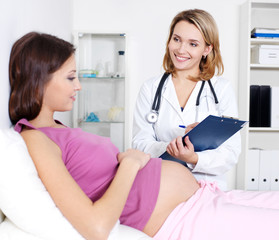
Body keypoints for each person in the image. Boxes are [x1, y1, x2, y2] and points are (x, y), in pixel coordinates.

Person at [8, 31, 279, 240]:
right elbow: (96, 227)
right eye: (70, 78)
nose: (78, 86)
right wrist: (130, 163)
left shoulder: (57, 129)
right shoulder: (35, 139)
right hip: (183, 217)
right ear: (39, 78)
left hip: (202, 196)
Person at [132, 9, 240, 190]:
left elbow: (231, 153)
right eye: (176, 39)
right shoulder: (151, 89)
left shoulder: (221, 89)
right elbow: (140, 144)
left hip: (207, 188)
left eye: (193, 44)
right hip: (162, 186)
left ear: (207, 49)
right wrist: (174, 146)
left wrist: (193, 158)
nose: (181, 50)